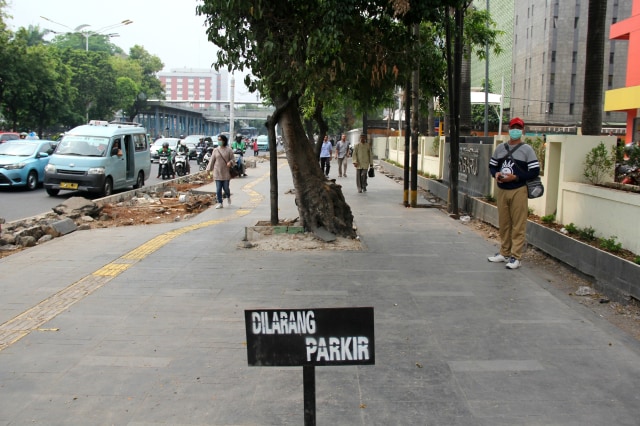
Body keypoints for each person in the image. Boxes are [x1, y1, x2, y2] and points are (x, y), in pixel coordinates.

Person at [488, 117, 540, 270]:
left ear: (522, 131)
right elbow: (492, 165)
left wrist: (516, 177)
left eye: (518, 128)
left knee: (518, 224)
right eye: (513, 127)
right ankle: (504, 252)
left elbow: (535, 171)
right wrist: (496, 174)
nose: (515, 130)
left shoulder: (527, 150)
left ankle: (516, 256)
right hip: (502, 190)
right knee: (504, 223)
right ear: (509, 130)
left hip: (518, 190)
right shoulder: (500, 148)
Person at [206, 134, 235, 209]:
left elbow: (233, 160)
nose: (219, 141)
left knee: (226, 188)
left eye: (220, 140)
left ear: (224, 141)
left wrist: (230, 162)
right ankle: (220, 202)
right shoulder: (215, 150)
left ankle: (228, 196)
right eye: (218, 140)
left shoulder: (229, 150)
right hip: (217, 172)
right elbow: (212, 160)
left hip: (226, 172)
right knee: (218, 189)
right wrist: (208, 169)